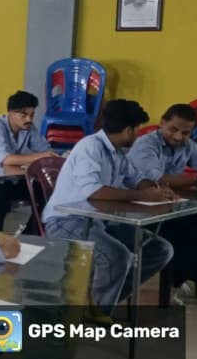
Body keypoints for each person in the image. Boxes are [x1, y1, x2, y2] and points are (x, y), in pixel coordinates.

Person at [41, 100, 176, 312]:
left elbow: (136, 178)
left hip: (100, 221)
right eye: (137, 130)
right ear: (128, 130)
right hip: (66, 221)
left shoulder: (118, 152)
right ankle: (94, 315)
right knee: (116, 258)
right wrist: (143, 195)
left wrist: (155, 190)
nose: (137, 136)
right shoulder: (90, 147)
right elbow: (94, 192)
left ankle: (99, 301)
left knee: (160, 250)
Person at [127, 104, 197, 302]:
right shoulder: (146, 145)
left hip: (173, 208)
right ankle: (175, 281)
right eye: (173, 129)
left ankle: (190, 277)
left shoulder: (188, 145)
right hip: (143, 211)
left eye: (185, 132)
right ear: (162, 123)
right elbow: (156, 179)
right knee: (190, 237)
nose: (178, 136)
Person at [0, 91, 59, 231]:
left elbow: (46, 149)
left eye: (32, 115)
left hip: (10, 179)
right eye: (23, 115)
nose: (29, 119)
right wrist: (41, 156)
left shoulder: (28, 127)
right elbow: (6, 160)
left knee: (43, 191)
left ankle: (33, 234)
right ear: (10, 113)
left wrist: (60, 157)